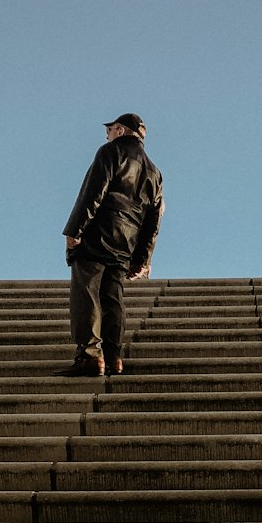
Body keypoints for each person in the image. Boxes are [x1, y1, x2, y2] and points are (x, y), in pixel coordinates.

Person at [59, 113, 164, 377]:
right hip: (126, 242)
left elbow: (94, 192)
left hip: (98, 234)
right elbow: (154, 219)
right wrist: (143, 259)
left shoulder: (110, 152)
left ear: (119, 130)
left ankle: (90, 356)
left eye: (109, 131)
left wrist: (75, 230)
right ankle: (114, 357)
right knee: (113, 298)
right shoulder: (154, 171)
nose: (107, 136)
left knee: (87, 293)